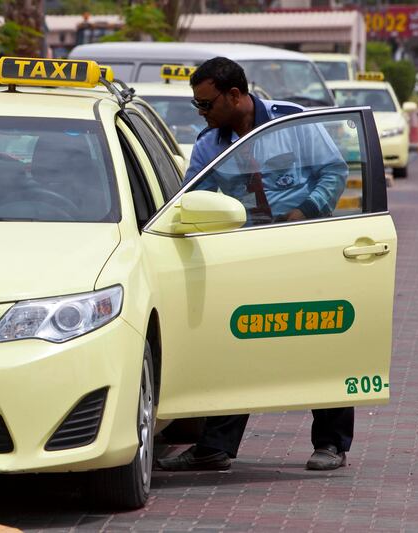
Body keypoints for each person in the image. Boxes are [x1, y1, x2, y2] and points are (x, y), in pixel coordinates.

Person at [157, 57, 351, 472]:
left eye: (206, 104)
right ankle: (215, 447)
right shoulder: (210, 143)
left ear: (234, 95)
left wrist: (305, 210)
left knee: (318, 338)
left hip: (301, 246)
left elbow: (333, 171)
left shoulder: (290, 123)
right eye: (197, 106)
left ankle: (332, 445)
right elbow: (194, 195)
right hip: (244, 254)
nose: (202, 114)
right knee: (235, 340)